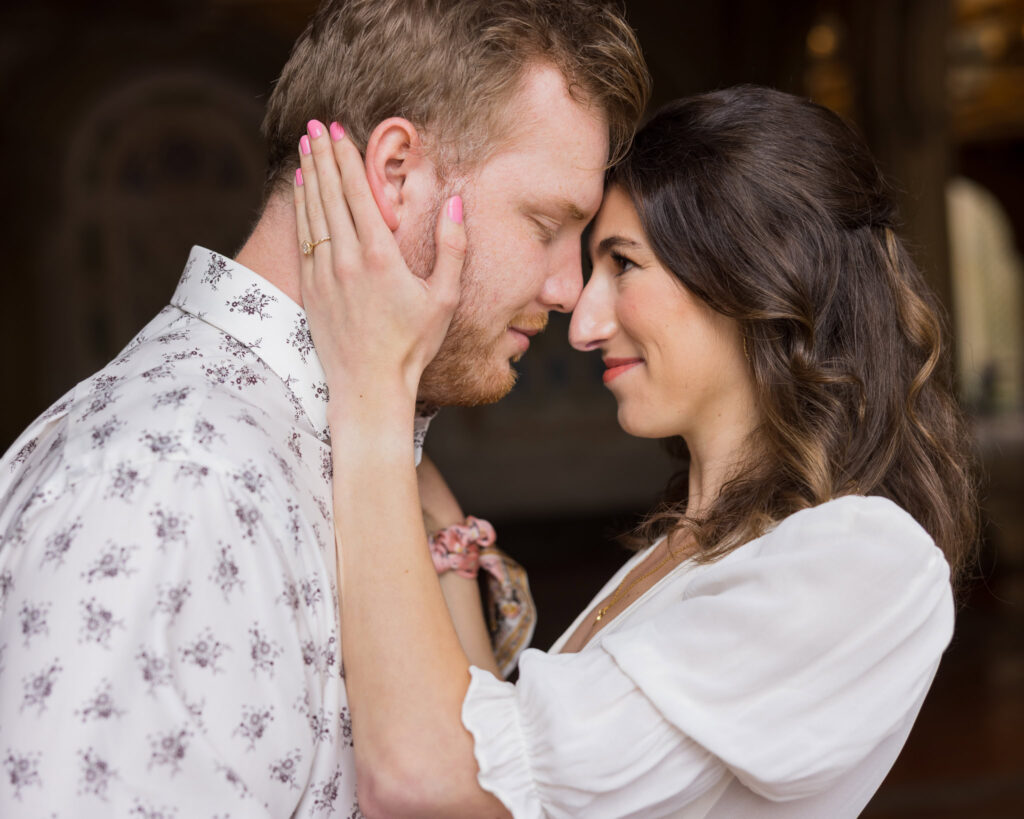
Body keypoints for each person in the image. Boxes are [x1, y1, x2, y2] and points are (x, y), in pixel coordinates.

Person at [0, 1, 649, 814]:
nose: (566, 289)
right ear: (395, 172)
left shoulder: (335, 446)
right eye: (546, 224)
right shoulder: (171, 479)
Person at [295, 85, 979, 817]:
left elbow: (434, 784)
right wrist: (414, 419)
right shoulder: (685, 550)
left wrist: (369, 384)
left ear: (754, 268)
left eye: (622, 264)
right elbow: (493, 751)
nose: (583, 323)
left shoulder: (863, 559)